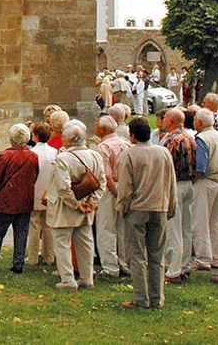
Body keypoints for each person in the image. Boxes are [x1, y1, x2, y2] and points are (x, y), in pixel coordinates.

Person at [116, 116, 176, 309]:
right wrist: (171, 206)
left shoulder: (129, 155)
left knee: (137, 255)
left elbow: (125, 187)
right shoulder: (163, 153)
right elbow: (171, 182)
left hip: (137, 209)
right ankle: (157, 298)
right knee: (157, 255)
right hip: (159, 207)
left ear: (132, 136)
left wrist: (122, 208)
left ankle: (141, 298)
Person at [46, 119, 104, 290]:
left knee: (62, 242)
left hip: (66, 206)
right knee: (85, 242)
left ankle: (68, 279)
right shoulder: (95, 155)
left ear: (70, 141)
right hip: (86, 205)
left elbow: (63, 187)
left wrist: (75, 204)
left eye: (64, 137)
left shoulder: (63, 158)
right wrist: (92, 202)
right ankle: (87, 278)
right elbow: (101, 182)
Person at [0, 123, 39, 273]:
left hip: (5, 199)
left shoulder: (4, 156)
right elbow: (34, 176)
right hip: (25, 198)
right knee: (21, 232)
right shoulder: (33, 156)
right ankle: (18, 263)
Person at [157, 108, 197, 284]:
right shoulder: (190, 138)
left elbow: (165, 166)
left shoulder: (172, 141)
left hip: (175, 186)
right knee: (185, 227)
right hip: (188, 184)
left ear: (171, 120)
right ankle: (184, 265)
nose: (163, 120)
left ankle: (173, 270)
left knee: (173, 228)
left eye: (165, 118)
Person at [93, 114, 132, 277]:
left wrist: (116, 194)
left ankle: (110, 267)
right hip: (126, 185)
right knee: (122, 228)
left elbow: (106, 175)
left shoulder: (103, 147)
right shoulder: (126, 144)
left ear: (102, 129)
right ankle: (124, 263)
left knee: (106, 228)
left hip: (110, 189)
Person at [189, 107, 218, 272]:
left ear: (199, 122)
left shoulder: (202, 139)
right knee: (215, 221)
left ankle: (203, 258)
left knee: (200, 221)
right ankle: (216, 256)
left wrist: (193, 180)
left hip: (205, 181)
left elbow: (200, 167)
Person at [26, 122, 57, 267]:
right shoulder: (54, 152)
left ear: (35, 136)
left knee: (34, 224)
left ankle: (32, 256)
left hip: (35, 190)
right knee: (48, 226)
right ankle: (49, 255)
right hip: (49, 191)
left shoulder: (32, 153)